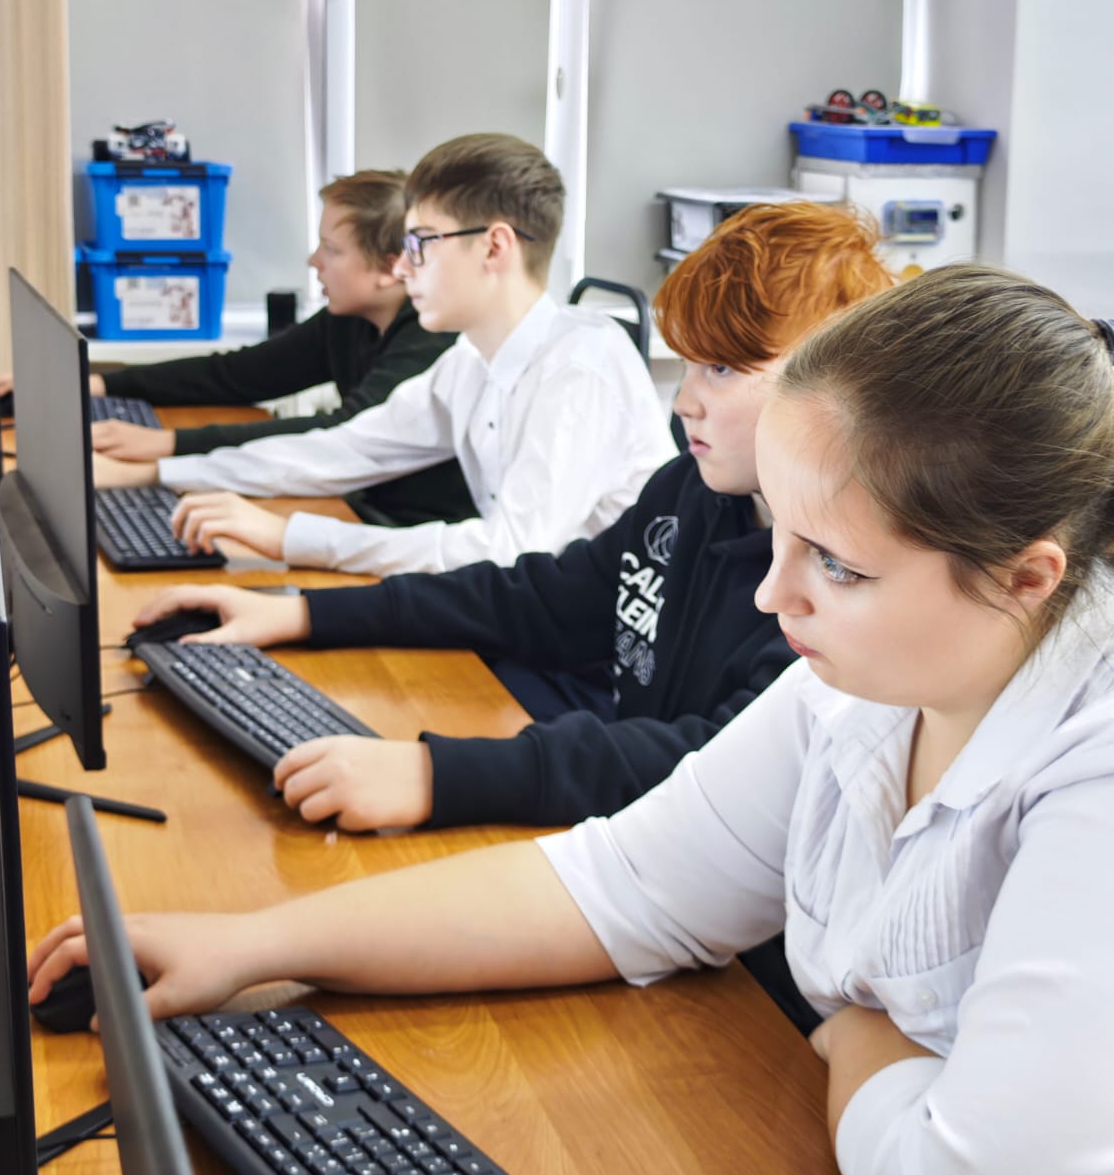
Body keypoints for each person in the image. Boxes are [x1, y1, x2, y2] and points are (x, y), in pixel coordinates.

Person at [32, 265, 1114, 1175]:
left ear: (1026, 578)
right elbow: (623, 882)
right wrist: (254, 946)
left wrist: (859, 1039)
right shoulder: (861, 683)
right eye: (782, 537)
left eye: (838, 563)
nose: (771, 594)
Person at [127, 202, 893, 835]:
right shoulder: (691, 493)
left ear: (831, 386)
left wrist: (439, 775)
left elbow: (714, 762)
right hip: (634, 835)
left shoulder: (842, 583)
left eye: (720, 369)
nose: (684, 400)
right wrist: (298, 614)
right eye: (688, 364)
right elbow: (538, 597)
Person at [93, 133, 675, 576]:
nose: (402, 268)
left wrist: (291, 537)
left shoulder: (579, 367)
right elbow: (347, 448)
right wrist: (162, 474)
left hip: (598, 663)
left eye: (419, 244)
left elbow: (512, 553)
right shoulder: (470, 360)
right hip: (531, 619)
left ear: (494, 247)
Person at [85, 169, 476, 529]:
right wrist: (102, 385)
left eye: (331, 249)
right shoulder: (350, 318)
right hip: (357, 507)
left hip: (414, 532)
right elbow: (240, 373)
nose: (314, 261)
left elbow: (341, 432)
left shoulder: (433, 339)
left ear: (391, 268)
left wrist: (169, 445)